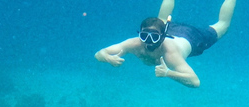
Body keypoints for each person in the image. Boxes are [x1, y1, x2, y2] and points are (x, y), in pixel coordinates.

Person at [95, 0, 237, 88]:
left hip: (193, 38)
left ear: (162, 37)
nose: (149, 41)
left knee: (223, 26)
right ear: (140, 34)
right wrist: (108, 58)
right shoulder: (134, 43)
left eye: (154, 37)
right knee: (160, 20)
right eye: (145, 36)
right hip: (168, 29)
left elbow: (195, 82)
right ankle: (161, 25)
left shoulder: (170, 54)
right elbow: (99, 53)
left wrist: (168, 73)